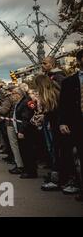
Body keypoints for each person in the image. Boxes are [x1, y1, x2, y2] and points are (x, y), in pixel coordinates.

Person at [58, 49, 83, 202]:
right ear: (80, 61)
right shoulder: (69, 82)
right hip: (77, 124)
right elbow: (64, 105)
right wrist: (62, 122)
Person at [12, 87, 38, 179]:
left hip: (26, 131)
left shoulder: (25, 102)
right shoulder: (19, 103)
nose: (12, 96)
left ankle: (31, 171)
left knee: (28, 152)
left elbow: (26, 118)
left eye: (13, 94)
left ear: (19, 94)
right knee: (24, 151)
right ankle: (27, 170)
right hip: (20, 130)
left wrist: (21, 131)